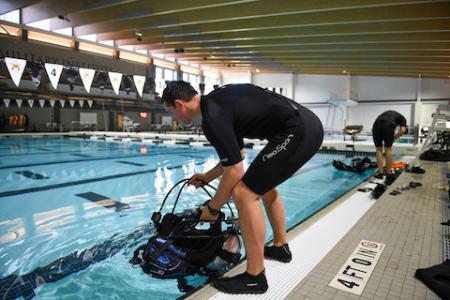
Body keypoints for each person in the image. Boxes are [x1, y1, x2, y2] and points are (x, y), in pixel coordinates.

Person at [161, 81, 323, 294]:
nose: (174, 117)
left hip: (297, 132)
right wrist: (207, 177)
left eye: (171, 111)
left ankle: (255, 277)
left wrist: (212, 209)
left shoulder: (212, 118)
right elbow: (238, 157)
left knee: (244, 194)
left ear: (180, 104)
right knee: (260, 185)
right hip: (307, 125)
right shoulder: (217, 102)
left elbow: (235, 171)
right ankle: (280, 247)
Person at [372, 110, 408, 180]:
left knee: (378, 149)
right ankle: (388, 173)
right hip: (388, 124)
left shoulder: (393, 114)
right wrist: (394, 138)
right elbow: (402, 131)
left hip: (376, 124)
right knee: (388, 149)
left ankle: (380, 173)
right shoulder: (403, 119)